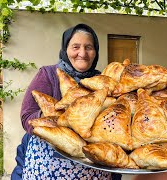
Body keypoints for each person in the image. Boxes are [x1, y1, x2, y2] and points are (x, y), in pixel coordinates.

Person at [11, 23, 122, 180]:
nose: (82, 53)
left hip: (93, 169)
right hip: (48, 163)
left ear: (96, 52)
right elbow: (27, 117)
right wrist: (60, 116)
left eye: (89, 47)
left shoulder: (103, 82)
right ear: (65, 49)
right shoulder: (49, 75)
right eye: (75, 47)